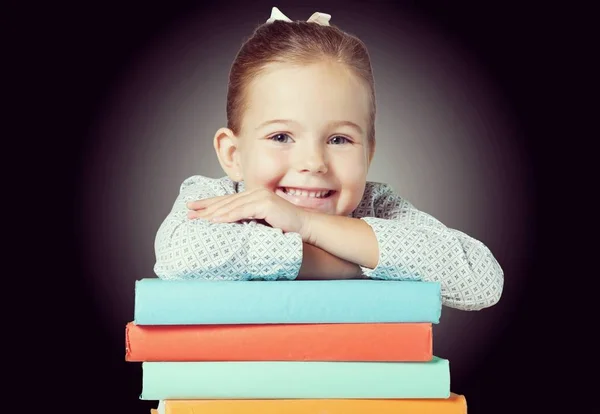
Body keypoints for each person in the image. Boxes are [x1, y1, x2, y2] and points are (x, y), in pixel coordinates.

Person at [153, 7, 504, 312]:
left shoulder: (376, 206)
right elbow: (180, 256)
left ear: (369, 153)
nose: (313, 163)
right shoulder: (217, 199)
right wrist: (351, 259)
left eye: (339, 139)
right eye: (281, 137)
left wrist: (308, 225)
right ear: (233, 154)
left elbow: (481, 279)